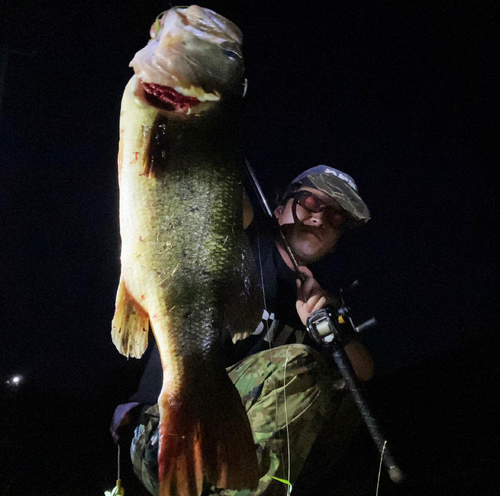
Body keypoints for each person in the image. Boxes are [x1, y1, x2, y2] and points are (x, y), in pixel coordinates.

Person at [110, 165, 374, 496]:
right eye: (310, 202)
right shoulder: (240, 243)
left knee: (342, 392)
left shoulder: (322, 299)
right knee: (301, 363)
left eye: (336, 218)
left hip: (233, 442)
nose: (320, 219)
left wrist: (334, 330)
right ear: (279, 210)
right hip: (166, 428)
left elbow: (364, 372)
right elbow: (218, 192)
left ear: (336, 241)